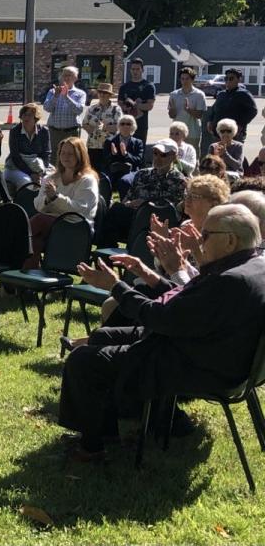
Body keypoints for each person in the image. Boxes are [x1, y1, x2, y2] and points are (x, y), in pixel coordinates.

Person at [58, 204, 265, 461]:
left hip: (199, 366)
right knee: (103, 336)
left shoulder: (231, 279)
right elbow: (187, 302)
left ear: (231, 240)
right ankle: (104, 430)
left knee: (82, 361)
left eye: (206, 235)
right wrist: (148, 275)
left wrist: (116, 286)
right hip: (212, 353)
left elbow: (161, 319)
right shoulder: (254, 265)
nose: (199, 242)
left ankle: (90, 448)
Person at [23, 138, 98, 268]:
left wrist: (56, 198)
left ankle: (13, 267)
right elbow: (38, 206)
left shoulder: (87, 180)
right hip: (52, 223)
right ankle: (25, 278)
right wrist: (48, 199)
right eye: (63, 153)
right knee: (35, 240)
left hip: (77, 225)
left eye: (70, 154)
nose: (65, 157)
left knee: (38, 221)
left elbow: (80, 209)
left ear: (80, 156)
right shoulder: (51, 178)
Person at [100, 138, 186, 247]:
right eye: (155, 153)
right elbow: (129, 197)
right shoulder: (143, 174)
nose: (157, 158)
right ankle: (106, 253)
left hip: (159, 221)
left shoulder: (178, 179)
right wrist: (128, 204)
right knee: (115, 210)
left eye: (163, 155)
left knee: (122, 212)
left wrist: (143, 203)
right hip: (134, 216)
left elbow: (172, 208)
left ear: (174, 156)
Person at [3, 103, 52, 194]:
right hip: (16, 168)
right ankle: (25, 206)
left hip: (38, 167)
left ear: (36, 117)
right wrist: (31, 174)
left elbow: (46, 154)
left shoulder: (44, 131)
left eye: (29, 115)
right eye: (24, 114)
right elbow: (15, 157)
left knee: (51, 180)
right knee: (27, 182)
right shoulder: (14, 131)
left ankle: (45, 206)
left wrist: (40, 173)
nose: (26, 117)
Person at [42, 66, 86, 161]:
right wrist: (56, 96)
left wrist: (66, 97)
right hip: (54, 132)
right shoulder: (53, 91)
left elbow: (79, 110)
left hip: (71, 131)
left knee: (72, 157)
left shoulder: (80, 93)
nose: (66, 78)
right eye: (64, 75)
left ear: (75, 78)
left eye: (69, 75)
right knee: (54, 158)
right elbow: (47, 108)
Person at [206, 68, 257, 149]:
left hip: (234, 134)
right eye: (226, 78)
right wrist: (210, 121)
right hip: (218, 133)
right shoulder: (222, 94)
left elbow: (253, 111)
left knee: (233, 159)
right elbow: (214, 108)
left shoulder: (244, 94)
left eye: (231, 78)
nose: (228, 81)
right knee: (217, 159)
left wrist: (240, 124)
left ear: (239, 79)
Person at [82, 82, 122, 175]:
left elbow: (119, 127)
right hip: (93, 145)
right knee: (93, 171)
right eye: (100, 92)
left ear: (109, 95)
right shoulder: (92, 108)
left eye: (105, 93)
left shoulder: (116, 109)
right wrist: (90, 129)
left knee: (107, 170)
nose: (102, 95)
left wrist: (104, 127)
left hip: (109, 145)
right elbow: (84, 124)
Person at [104, 114, 144, 197]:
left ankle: (124, 204)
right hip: (114, 170)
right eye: (122, 124)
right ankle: (106, 206)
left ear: (133, 127)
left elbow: (138, 160)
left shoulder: (138, 142)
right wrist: (113, 154)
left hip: (130, 170)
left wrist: (126, 154)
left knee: (124, 181)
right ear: (118, 126)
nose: (125, 126)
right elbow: (106, 160)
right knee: (104, 181)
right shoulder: (110, 141)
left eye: (128, 124)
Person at [117, 58, 156, 144]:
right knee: (124, 150)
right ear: (130, 70)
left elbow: (150, 106)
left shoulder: (148, 86)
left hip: (141, 125)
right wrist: (125, 106)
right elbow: (120, 103)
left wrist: (134, 104)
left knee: (140, 151)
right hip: (125, 125)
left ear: (142, 70)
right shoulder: (124, 87)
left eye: (138, 69)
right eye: (133, 69)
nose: (135, 71)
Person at [167, 67, 205, 153]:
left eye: (187, 79)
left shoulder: (199, 95)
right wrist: (172, 110)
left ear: (192, 80)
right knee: (175, 156)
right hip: (176, 133)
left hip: (193, 133)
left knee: (192, 157)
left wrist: (188, 110)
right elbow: (171, 115)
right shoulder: (174, 94)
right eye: (182, 79)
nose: (184, 81)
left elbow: (200, 115)